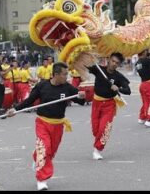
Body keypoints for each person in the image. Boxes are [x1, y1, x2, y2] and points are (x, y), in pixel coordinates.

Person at [7, 62, 86, 191]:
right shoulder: (42, 85)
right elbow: (29, 101)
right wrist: (15, 110)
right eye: (65, 74)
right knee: (44, 148)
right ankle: (42, 180)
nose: (67, 76)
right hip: (43, 122)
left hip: (58, 124)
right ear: (56, 75)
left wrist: (82, 96)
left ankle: (36, 156)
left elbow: (80, 101)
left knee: (50, 152)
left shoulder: (67, 87)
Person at [86, 52, 131, 160]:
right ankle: (98, 141)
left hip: (109, 105)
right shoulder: (99, 69)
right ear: (109, 60)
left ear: (119, 65)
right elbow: (86, 65)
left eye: (117, 63)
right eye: (113, 61)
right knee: (96, 130)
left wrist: (118, 89)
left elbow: (128, 91)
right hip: (96, 103)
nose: (114, 64)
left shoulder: (119, 77)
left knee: (104, 128)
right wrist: (87, 57)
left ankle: (97, 150)